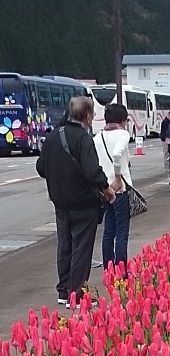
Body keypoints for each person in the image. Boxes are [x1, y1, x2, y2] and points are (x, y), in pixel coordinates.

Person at [36, 96, 115, 306]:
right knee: (82, 247)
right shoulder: (82, 138)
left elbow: (41, 168)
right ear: (87, 116)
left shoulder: (53, 136)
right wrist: (106, 188)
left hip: (61, 203)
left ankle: (63, 291)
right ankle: (77, 293)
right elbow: (92, 172)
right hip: (83, 203)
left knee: (65, 247)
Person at [93, 103, 131, 271]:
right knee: (122, 232)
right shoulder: (123, 134)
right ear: (122, 120)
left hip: (105, 190)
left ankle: (109, 269)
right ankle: (121, 269)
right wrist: (118, 177)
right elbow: (117, 154)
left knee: (108, 232)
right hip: (120, 189)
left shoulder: (97, 137)